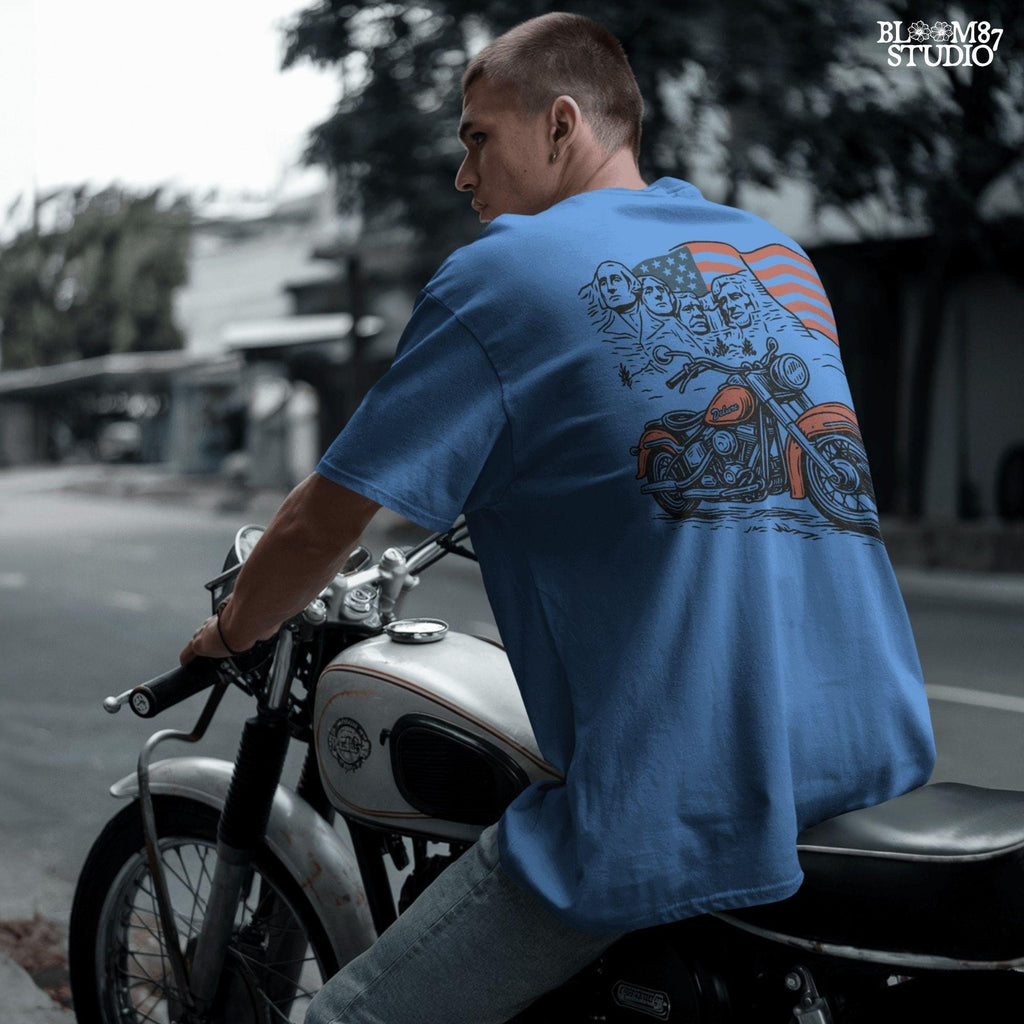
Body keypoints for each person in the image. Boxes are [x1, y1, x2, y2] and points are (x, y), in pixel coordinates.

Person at [181, 12, 936, 1024]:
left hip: (682, 798)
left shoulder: (503, 275)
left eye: (476, 138)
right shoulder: (776, 254)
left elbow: (324, 524)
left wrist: (233, 629)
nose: (463, 176)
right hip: (868, 746)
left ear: (561, 124)